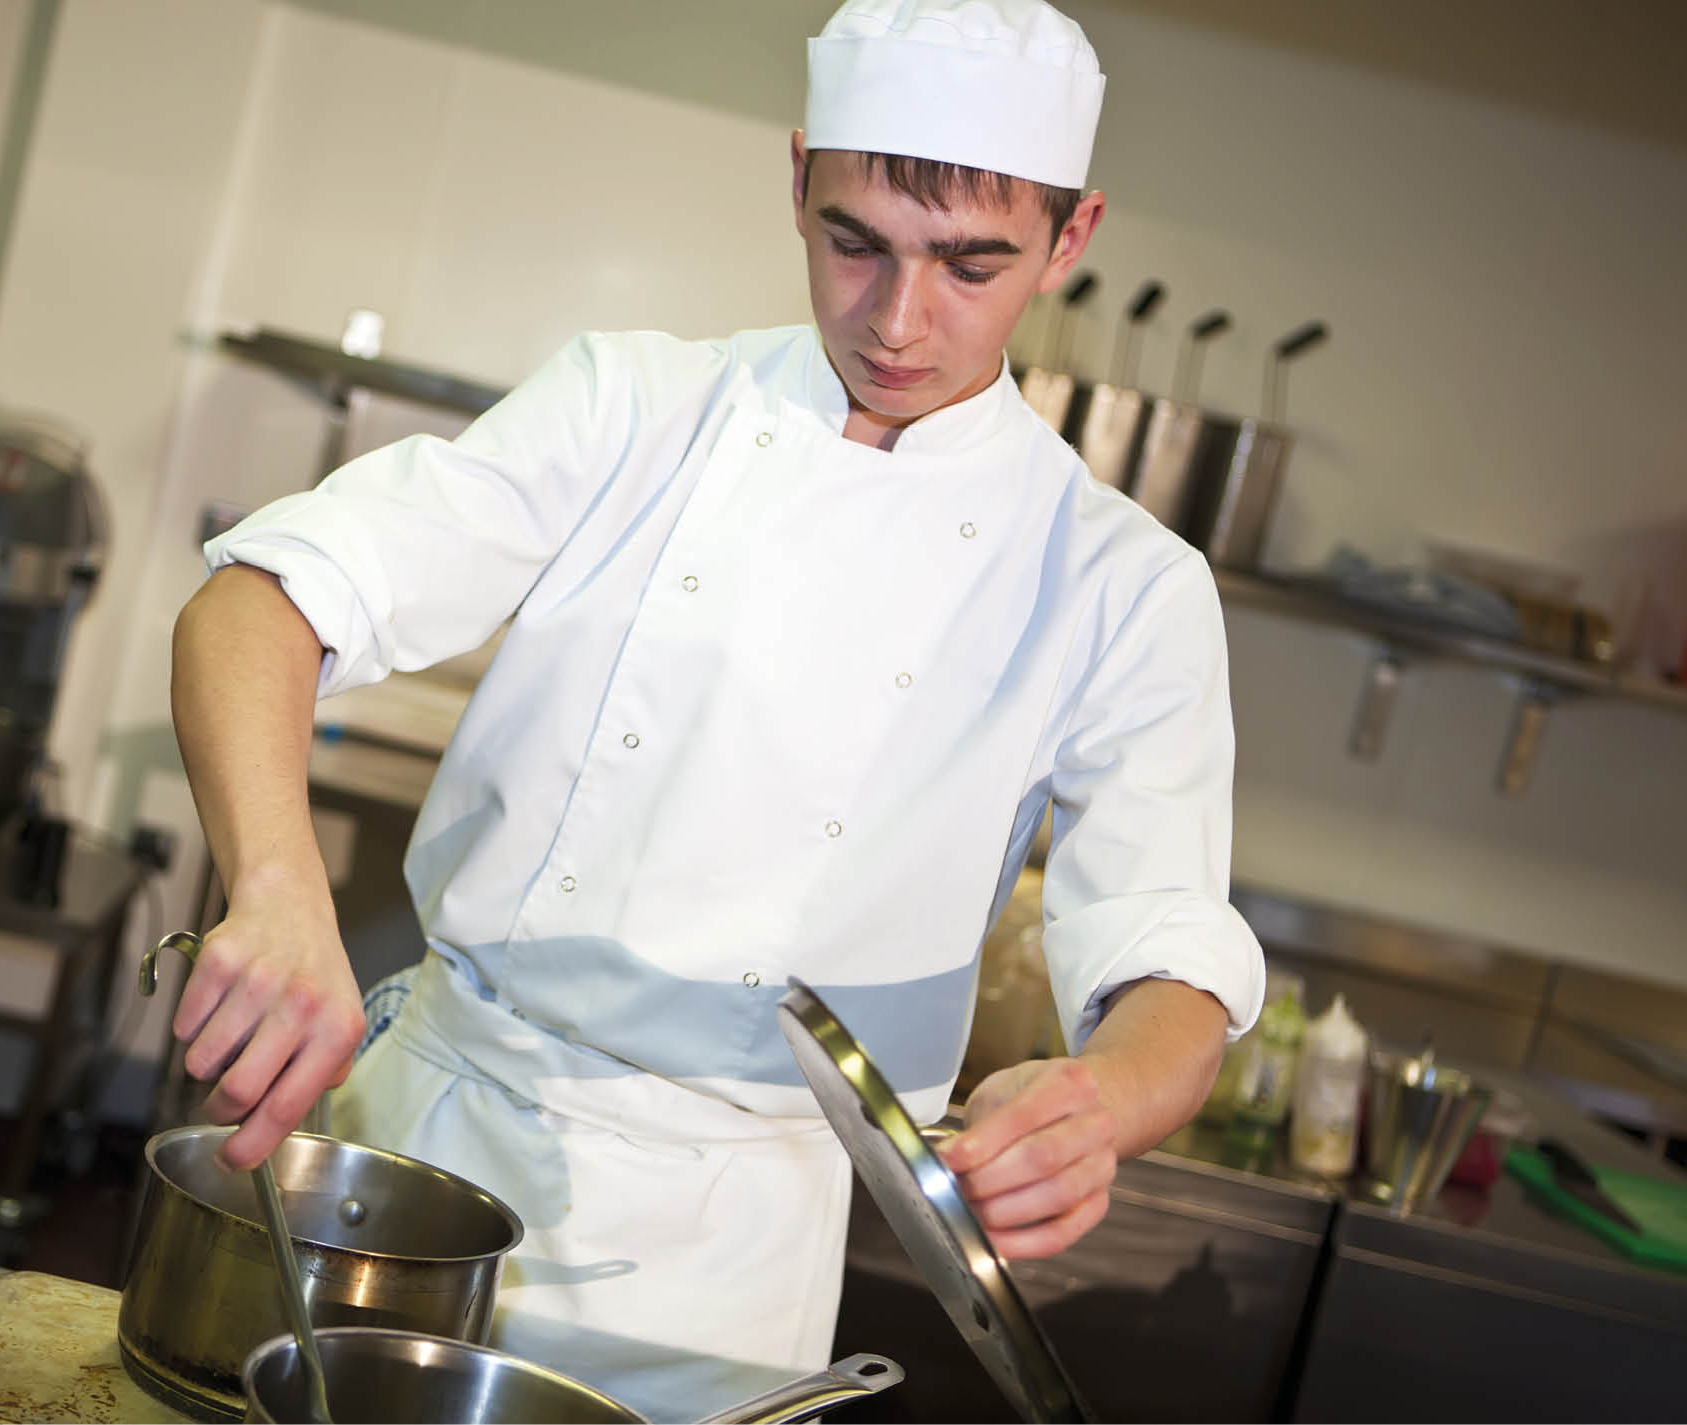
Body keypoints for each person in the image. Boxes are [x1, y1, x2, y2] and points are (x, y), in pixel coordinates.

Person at [168, 0, 1265, 1415]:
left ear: (1070, 236)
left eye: (969, 263)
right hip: (425, 1155)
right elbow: (259, 600)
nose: (896, 316)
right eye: (852, 238)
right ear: (797, 174)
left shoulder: (1121, 581)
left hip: (733, 1262)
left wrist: (1108, 1096)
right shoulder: (632, 406)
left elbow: (1167, 952)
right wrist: (276, 885)